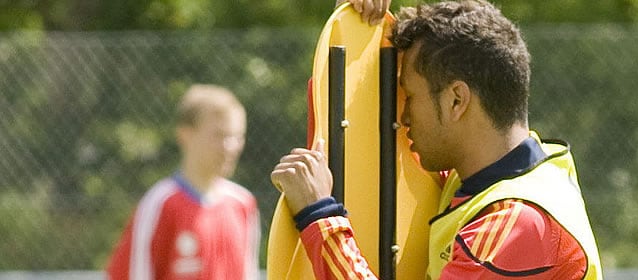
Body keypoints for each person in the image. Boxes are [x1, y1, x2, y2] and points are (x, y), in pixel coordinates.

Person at [270, 1, 603, 279]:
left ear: (457, 100)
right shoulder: (493, 179)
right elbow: (344, 124)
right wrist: (355, 24)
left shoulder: (516, 223)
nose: (401, 118)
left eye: (409, 97)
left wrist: (320, 217)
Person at [107, 84, 260, 280]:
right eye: (219, 135)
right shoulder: (160, 203)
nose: (229, 147)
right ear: (185, 134)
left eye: (237, 136)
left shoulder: (243, 204)